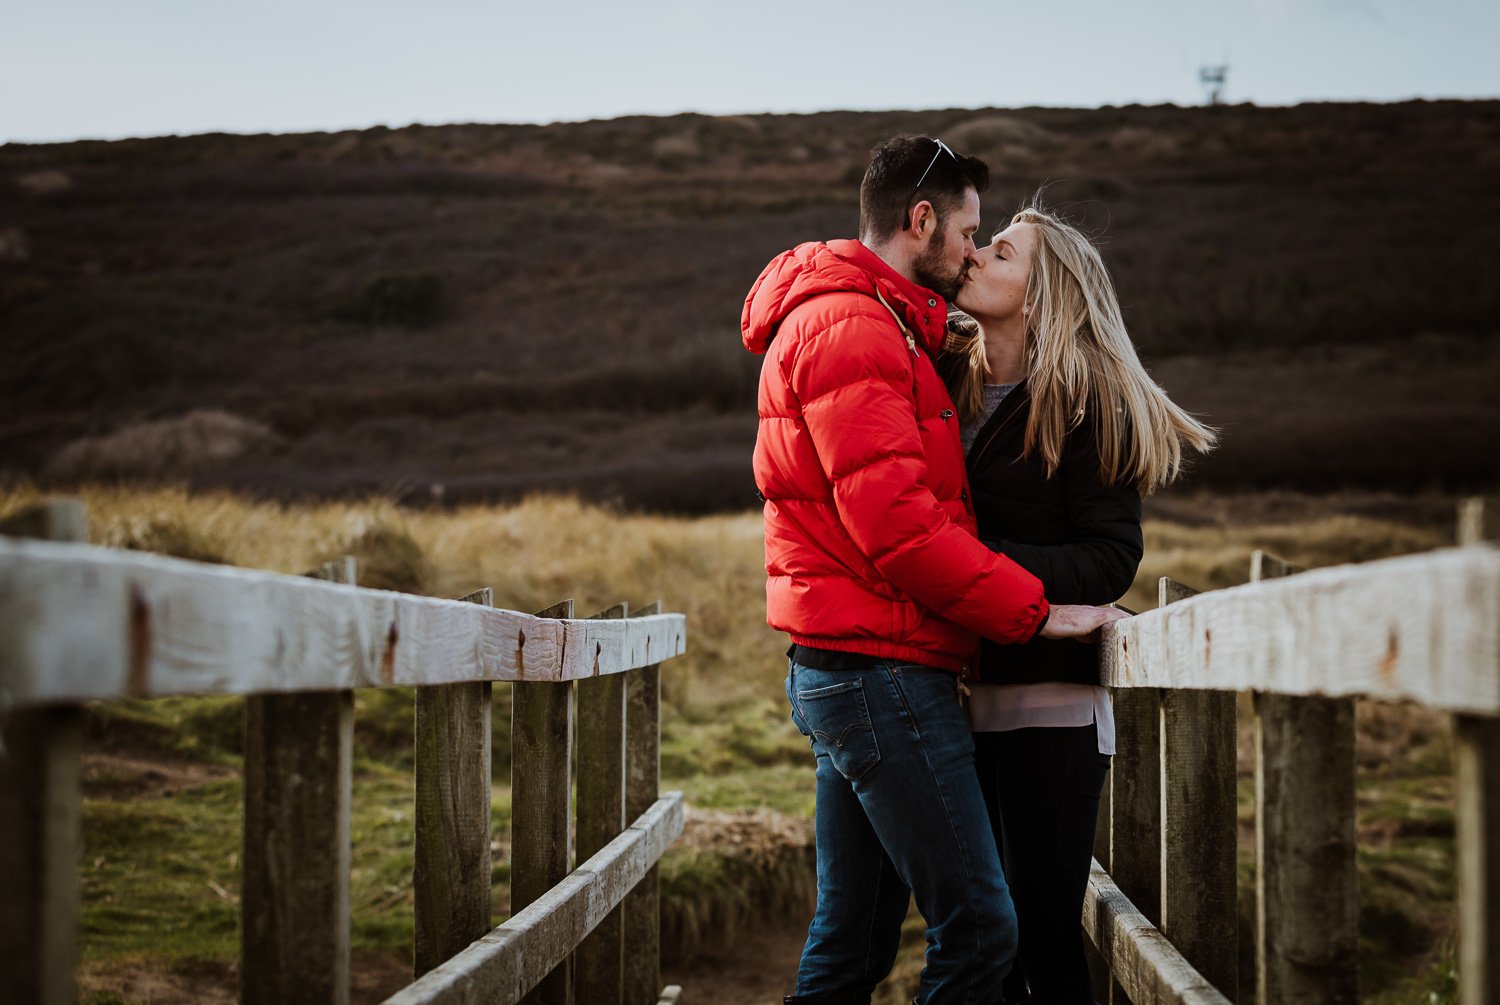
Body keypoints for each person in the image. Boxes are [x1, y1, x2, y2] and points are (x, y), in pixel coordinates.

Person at [741, 136, 1128, 1005]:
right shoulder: (856, 329)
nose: (969, 252)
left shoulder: (886, 328)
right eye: (968, 232)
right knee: (984, 928)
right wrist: (1033, 610)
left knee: (854, 938)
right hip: (879, 669)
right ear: (922, 223)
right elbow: (902, 527)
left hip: (865, 661)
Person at [939, 202, 1217, 1004]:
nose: (977, 257)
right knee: (978, 937)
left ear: (1043, 294)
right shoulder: (947, 384)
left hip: (1050, 706)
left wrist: (968, 567)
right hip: (950, 698)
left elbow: (1108, 559)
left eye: (1001, 252)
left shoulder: (1086, 398)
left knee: (1042, 937)